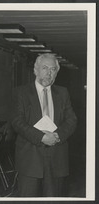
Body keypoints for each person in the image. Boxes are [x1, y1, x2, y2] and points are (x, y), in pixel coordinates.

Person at [11, 53, 77, 197]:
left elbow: (71, 120)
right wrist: (41, 137)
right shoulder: (21, 92)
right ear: (36, 70)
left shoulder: (63, 93)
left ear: (56, 73)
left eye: (53, 69)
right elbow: (17, 121)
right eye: (45, 68)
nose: (49, 73)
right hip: (29, 159)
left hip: (57, 157)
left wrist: (58, 136)